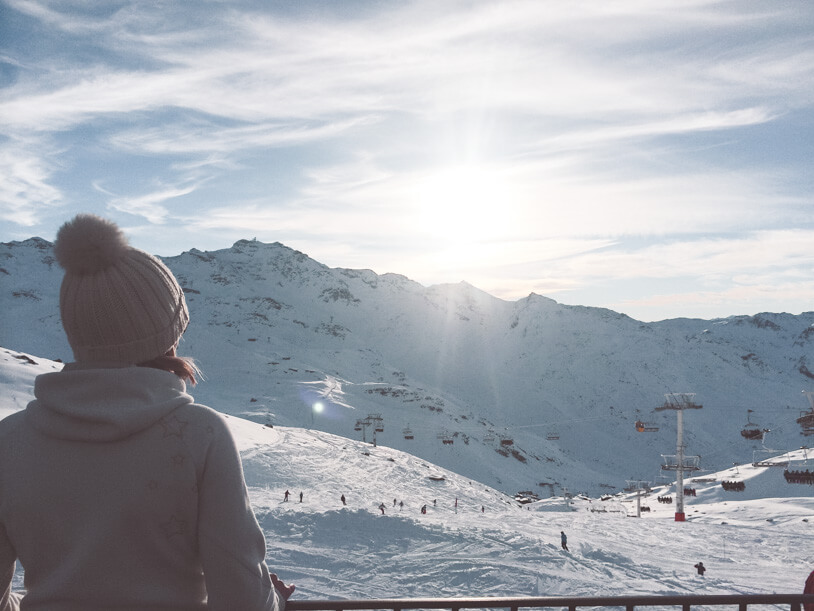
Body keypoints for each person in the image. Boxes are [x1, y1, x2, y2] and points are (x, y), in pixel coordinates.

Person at [0, 214, 294, 611]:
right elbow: (241, 598)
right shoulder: (199, 434)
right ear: (167, 334)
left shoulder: (10, 440)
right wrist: (272, 599)